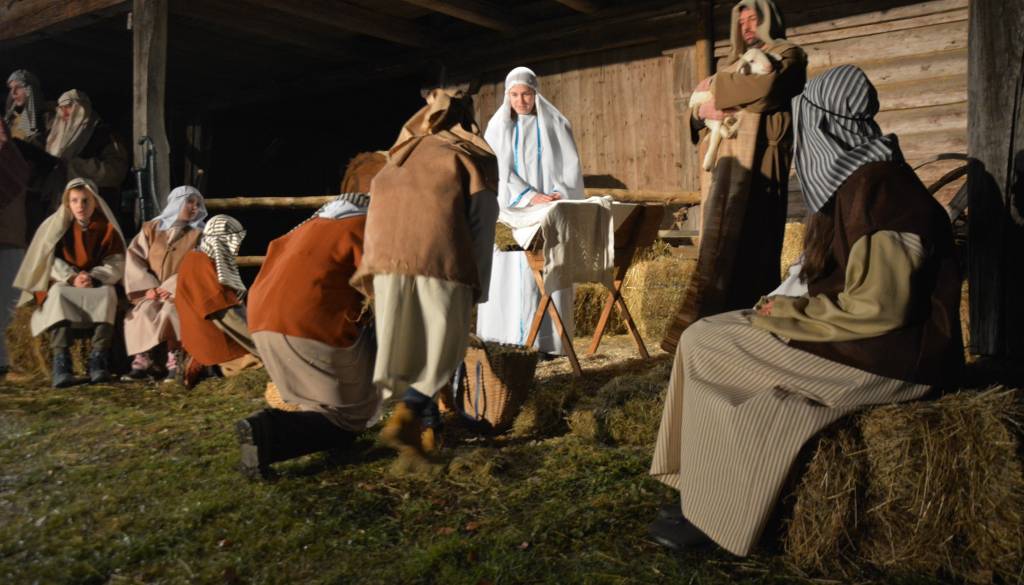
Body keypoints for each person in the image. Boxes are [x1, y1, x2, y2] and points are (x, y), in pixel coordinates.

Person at [648, 65, 964, 556]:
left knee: (706, 343)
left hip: (888, 357)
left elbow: (880, 309)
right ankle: (702, 492)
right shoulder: (864, 182)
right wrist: (786, 307)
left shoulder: (883, 190)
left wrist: (787, 317)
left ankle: (719, 516)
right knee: (710, 336)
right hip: (861, 341)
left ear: (822, 125)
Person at [350, 87, 499, 466]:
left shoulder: (397, 157)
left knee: (407, 345)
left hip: (386, 262)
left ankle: (424, 428)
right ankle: (410, 416)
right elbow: (482, 224)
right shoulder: (467, 157)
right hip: (438, 258)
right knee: (443, 346)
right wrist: (477, 281)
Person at [661, 0, 807, 353]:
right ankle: (707, 333)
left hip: (761, 161)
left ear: (769, 19)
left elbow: (766, 88)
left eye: (754, 19)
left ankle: (749, 336)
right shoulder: (729, 65)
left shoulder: (789, 54)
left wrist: (719, 93)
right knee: (717, 245)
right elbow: (700, 108)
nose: (746, 27)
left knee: (753, 243)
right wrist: (702, 112)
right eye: (741, 21)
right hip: (725, 164)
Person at [238, 193, 379, 479]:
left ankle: (267, 437)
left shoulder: (303, 230)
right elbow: (383, 291)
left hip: (263, 324)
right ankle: (268, 431)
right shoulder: (362, 229)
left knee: (321, 405)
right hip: (307, 325)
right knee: (348, 419)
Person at [475, 66, 584, 357]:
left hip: (548, 210)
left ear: (535, 93)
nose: (521, 100)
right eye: (514, 94)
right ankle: (508, 341)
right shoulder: (498, 127)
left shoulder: (556, 123)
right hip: (513, 209)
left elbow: (570, 165)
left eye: (526, 94)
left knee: (548, 270)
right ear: (507, 96)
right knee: (512, 273)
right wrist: (530, 195)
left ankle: (548, 342)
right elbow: (498, 170)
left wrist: (561, 191)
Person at [12, 177, 126, 387]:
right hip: (65, 281)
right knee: (58, 296)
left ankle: (98, 360)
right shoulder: (55, 226)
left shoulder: (106, 228)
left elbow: (116, 261)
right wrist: (72, 277)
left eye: (85, 201)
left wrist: (94, 276)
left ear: (95, 202)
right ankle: (61, 362)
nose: (80, 206)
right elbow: (47, 258)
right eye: (75, 201)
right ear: (67, 203)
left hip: (96, 282)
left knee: (108, 295)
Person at [123, 186, 208, 381]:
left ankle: (174, 359)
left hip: (180, 292)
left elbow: (198, 266)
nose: (194, 207)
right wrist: (148, 288)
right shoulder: (151, 229)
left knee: (172, 312)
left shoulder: (200, 234)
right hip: (151, 291)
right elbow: (135, 258)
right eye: (190, 202)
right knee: (143, 312)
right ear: (176, 203)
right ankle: (144, 359)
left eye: (197, 204)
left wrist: (170, 288)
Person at [174, 214, 261, 386]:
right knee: (266, 363)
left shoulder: (202, 258)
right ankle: (207, 367)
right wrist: (264, 345)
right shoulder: (201, 264)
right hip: (213, 339)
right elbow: (226, 313)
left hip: (216, 332)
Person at [45, 90, 129, 217]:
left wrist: (74, 166)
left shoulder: (102, 133)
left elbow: (116, 170)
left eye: (68, 106)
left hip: (95, 204)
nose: (64, 113)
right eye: (61, 108)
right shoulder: (57, 136)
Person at [0, 118, 30, 378]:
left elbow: (17, 182)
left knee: (8, 305)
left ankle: (8, 360)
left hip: (9, 238)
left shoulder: (12, 160)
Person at [5, 70, 49, 148]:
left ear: (31, 90)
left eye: (18, 87)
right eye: (11, 88)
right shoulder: (10, 120)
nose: (13, 92)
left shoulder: (46, 120)